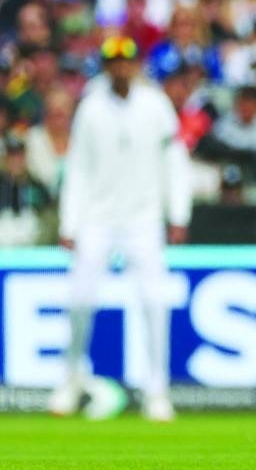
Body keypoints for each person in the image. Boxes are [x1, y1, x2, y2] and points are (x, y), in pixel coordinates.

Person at [48, 35, 192, 422]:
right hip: (97, 218)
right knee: (79, 300)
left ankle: (157, 391)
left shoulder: (156, 105)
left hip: (143, 219)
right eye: (112, 61)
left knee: (153, 304)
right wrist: (70, 222)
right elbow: (76, 168)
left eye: (126, 60)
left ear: (135, 63)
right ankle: (70, 380)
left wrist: (178, 213)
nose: (120, 67)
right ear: (106, 65)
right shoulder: (91, 108)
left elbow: (174, 161)